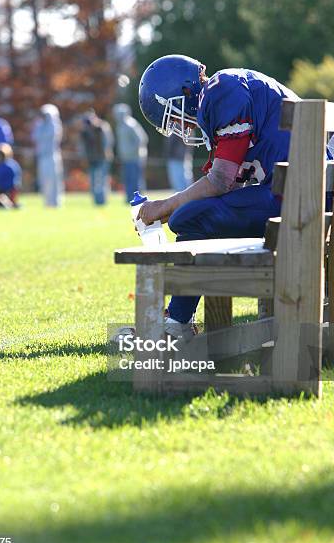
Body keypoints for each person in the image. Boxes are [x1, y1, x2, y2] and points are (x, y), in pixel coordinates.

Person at [138, 54, 300, 339]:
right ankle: (176, 320)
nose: (181, 127)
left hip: (299, 199)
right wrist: (169, 208)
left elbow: (221, 180)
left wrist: (166, 205)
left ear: (185, 91)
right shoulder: (229, 89)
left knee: (191, 218)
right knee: (190, 213)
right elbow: (226, 183)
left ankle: (176, 323)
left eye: (174, 117)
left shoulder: (222, 88)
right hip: (302, 193)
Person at [113, 103, 148, 202]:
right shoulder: (120, 126)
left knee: (135, 180)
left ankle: (138, 200)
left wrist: (131, 152)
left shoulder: (131, 124)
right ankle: (129, 198)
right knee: (127, 179)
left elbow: (142, 139)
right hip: (125, 158)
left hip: (135, 158)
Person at [79, 109, 114, 205]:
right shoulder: (85, 132)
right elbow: (82, 146)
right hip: (91, 159)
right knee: (93, 181)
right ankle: (96, 201)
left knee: (101, 180)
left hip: (102, 158)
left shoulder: (102, 127)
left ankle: (102, 201)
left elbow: (108, 142)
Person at [32, 104, 64, 207]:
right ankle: (47, 202)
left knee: (54, 180)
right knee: (44, 180)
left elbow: (52, 135)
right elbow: (35, 137)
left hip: (52, 156)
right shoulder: (39, 125)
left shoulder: (54, 125)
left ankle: (56, 202)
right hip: (42, 156)